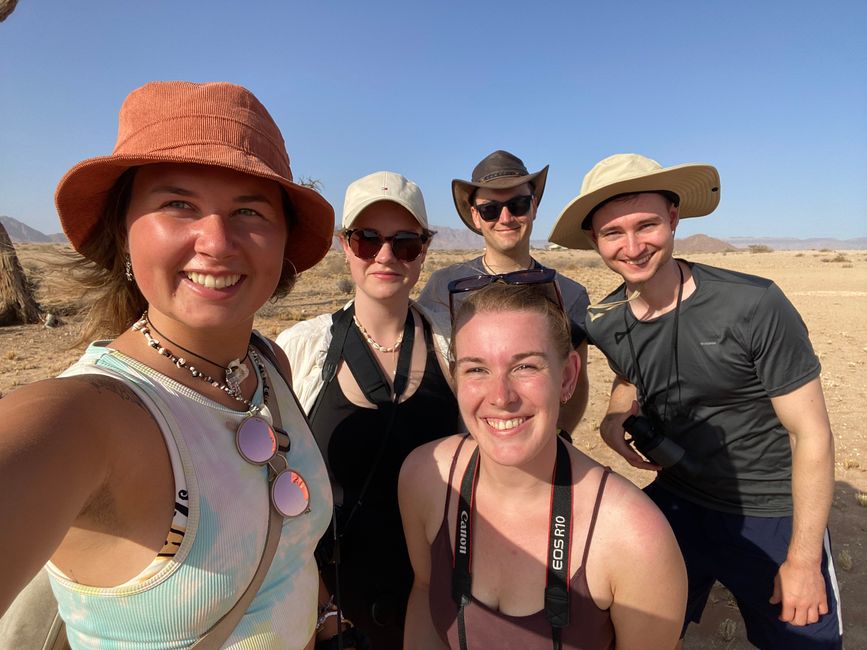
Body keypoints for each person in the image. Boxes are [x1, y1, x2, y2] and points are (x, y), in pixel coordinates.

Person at [0, 81, 336, 648]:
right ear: (123, 231)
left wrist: (324, 616)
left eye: (249, 210)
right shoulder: (83, 417)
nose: (217, 240)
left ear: (282, 242)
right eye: (177, 203)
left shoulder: (268, 365)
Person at [549, 153, 844, 648]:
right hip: (678, 500)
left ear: (673, 219)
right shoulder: (606, 320)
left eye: (646, 225)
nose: (633, 246)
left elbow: (811, 433)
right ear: (596, 242)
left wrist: (803, 559)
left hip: (771, 507)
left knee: (803, 639)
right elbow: (628, 372)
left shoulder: (752, 305)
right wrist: (616, 412)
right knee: (620, 630)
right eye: (613, 233)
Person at [400, 276, 687, 649]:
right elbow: (425, 593)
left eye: (525, 367)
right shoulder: (427, 478)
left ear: (567, 376)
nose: (501, 397)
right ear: (455, 378)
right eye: (476, 369)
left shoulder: (633, 538)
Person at [277, 171, 460, 648]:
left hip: (436, 596)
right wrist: (319, 608)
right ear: (345, 245)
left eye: (404, 243)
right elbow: (271, 484)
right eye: (366, 239)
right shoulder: (301, 350)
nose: (385, 256)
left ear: (423, 250)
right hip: (330, 604)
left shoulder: (454, 346)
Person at [417, 150, 590, 435]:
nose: (506, 217)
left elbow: (576, 381)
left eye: (518, 204)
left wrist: (559, 441)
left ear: (534, 206)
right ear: (475, 216)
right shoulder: (442, 286)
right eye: (490, 209)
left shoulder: (569, 294)